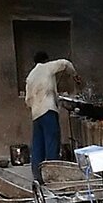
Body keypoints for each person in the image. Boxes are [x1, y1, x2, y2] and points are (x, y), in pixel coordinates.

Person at [24, 52, 80, 183]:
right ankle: (52, 176)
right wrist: (75, 75)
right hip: (48, 110)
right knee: (52, 143)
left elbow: (27, 100)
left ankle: (38, 176)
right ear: (46, 60)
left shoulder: (30, 76)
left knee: (38, 145)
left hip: (36, 114)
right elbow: (66, 63)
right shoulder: (48, 67)